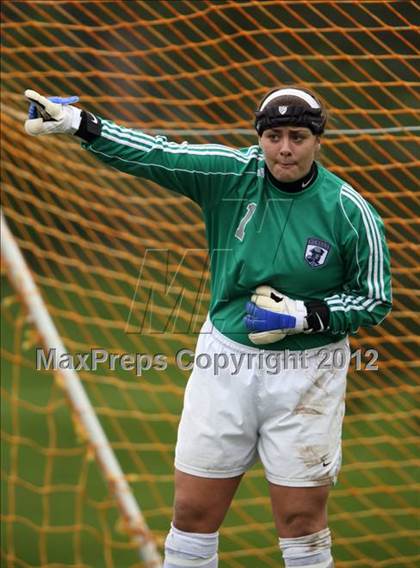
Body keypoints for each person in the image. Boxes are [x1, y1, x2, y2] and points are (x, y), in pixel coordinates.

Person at [24, 86, 392, 568]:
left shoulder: (349, 209)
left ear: (318, 141)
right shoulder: (230, 175)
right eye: (275, 135)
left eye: (298, 137)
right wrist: (82, 126)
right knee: (193, 511)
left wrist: (306, 314)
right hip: (226, 363)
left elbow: (374, 298)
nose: (285, 148)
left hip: (311, 371)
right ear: (259, 137)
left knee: (301, 521)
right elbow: (159, 154)